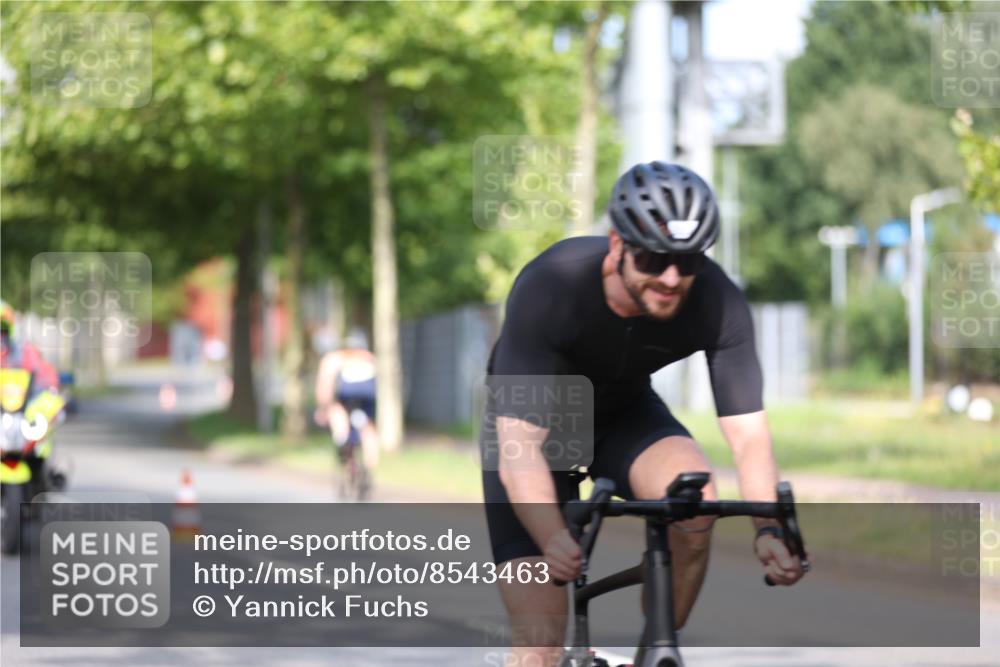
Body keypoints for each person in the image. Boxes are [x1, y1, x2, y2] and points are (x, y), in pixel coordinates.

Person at [482, 162, 806, 666]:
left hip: (624, 412)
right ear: (618, 246)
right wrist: (552, 537)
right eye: (654, 259)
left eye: (688, 261)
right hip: (534, 433)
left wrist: (768, 529)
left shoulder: (718, 301)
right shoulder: (553, 285)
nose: (672, 278)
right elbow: (518, 447)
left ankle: (654, 649)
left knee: (694, 501)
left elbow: (750, 439)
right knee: (539, 646)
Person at [314, 327, 379, 473]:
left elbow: (325, 384)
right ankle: (368, 467)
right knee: (367, 426)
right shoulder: (369, 357)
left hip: (347, 393)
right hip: (368, 393)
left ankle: (342, 440)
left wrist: (323, 408)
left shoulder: (334, 358)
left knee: (336, 410)